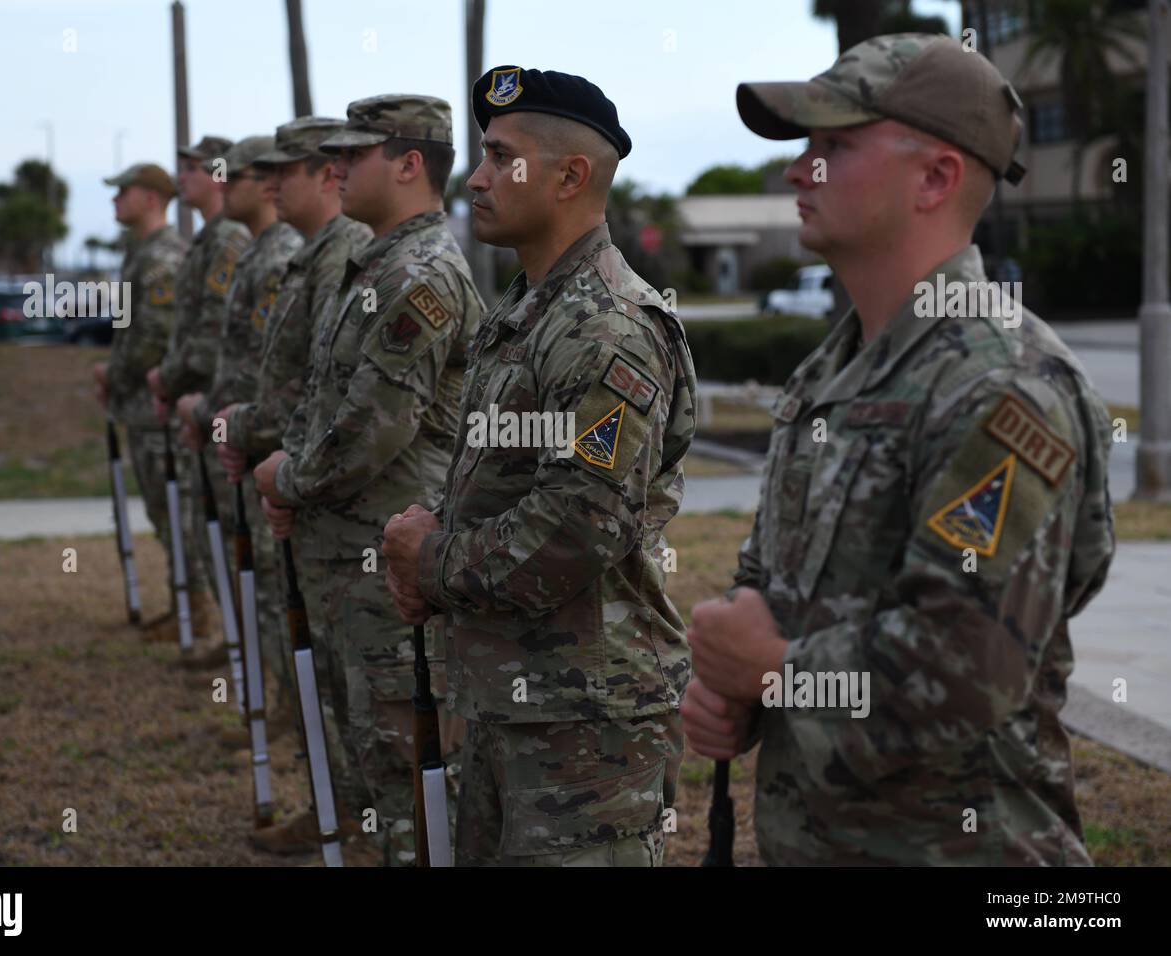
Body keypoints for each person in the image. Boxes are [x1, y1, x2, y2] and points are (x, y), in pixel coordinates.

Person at [681, 33, 1115, 865]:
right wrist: (734, 692)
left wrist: (774, 676)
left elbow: (964, 669)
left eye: (834, 146)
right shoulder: (832, 369)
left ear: (936, 178)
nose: (796, 171)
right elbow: (775, 591)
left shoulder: (1004, 385)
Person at [381, 66, 697, 867]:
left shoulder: (605, 328)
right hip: (516, 698)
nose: (477, 180)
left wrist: (432, 561)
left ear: (570, 176)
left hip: (586, 724)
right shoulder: (529, 313)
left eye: (500, 158)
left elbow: (578, 526)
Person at [252, 94, 483, 866]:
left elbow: (371, 429)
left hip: (389, 570)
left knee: (408, 778)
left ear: (411, 165)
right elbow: (322, 401)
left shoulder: (420, 276)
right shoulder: (374, 265)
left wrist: (290, 478)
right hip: (351, 562)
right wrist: (292, 476)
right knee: (374, 758)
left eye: (354, 156)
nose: (335, 168)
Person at [214, 116, 373, 854]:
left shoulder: (350, 261)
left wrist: (258, 440)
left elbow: (338, 403)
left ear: (326, 174)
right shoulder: (315, 259)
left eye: (288, 169)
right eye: (265, 171)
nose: (273, 183)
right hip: (300, 492)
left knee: (368, 700)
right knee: (333, 685)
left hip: (344, 510)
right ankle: (336, 808)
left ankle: (358, 820)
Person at [174, 135, 304, 735]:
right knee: (261, 585)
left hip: (257, 437)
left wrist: (225, 419)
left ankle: (286, 706)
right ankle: (279, 699)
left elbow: (268, 366)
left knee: (277, 591)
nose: (227, 183)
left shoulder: (274, 255)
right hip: (240, 432)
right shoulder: (256, 250)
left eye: (239, 174)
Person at [145, 135, 250, 653]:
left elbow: (212, 339)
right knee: (209, 533)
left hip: (216, 406)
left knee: (229, 538)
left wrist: (171, 378)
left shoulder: (229, 241)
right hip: (201, 407)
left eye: (191, 168)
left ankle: (239, 649)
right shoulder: (209, 240)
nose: (181, 177)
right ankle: (227, 638)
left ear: (219, 175)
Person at [92, 162, 189, 635]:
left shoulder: (162, 257)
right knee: (159, 506)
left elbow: (155, 336)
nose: (115, 201)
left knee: (172, 510)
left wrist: (116, 372)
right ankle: (182, 605)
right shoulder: (141, 253)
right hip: (139, 404)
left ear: (151, 197)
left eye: (122, 191)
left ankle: (193, 610)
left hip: (158, 409)